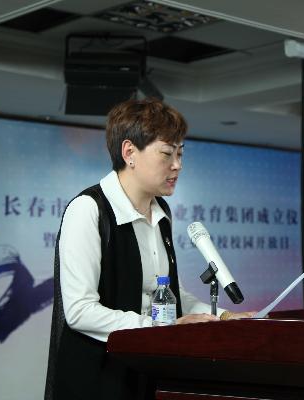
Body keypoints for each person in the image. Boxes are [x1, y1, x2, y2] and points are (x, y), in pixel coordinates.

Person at [44, 98, 254, 400]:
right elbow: (79, 311)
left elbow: (170, 293)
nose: (177, 165)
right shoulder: (88, 209)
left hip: (148, 373)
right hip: (97, 379)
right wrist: (162, 328)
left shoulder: (161, 212)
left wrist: (225, 318)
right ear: (129, 152)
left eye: (180, 153)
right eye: (167, 153)